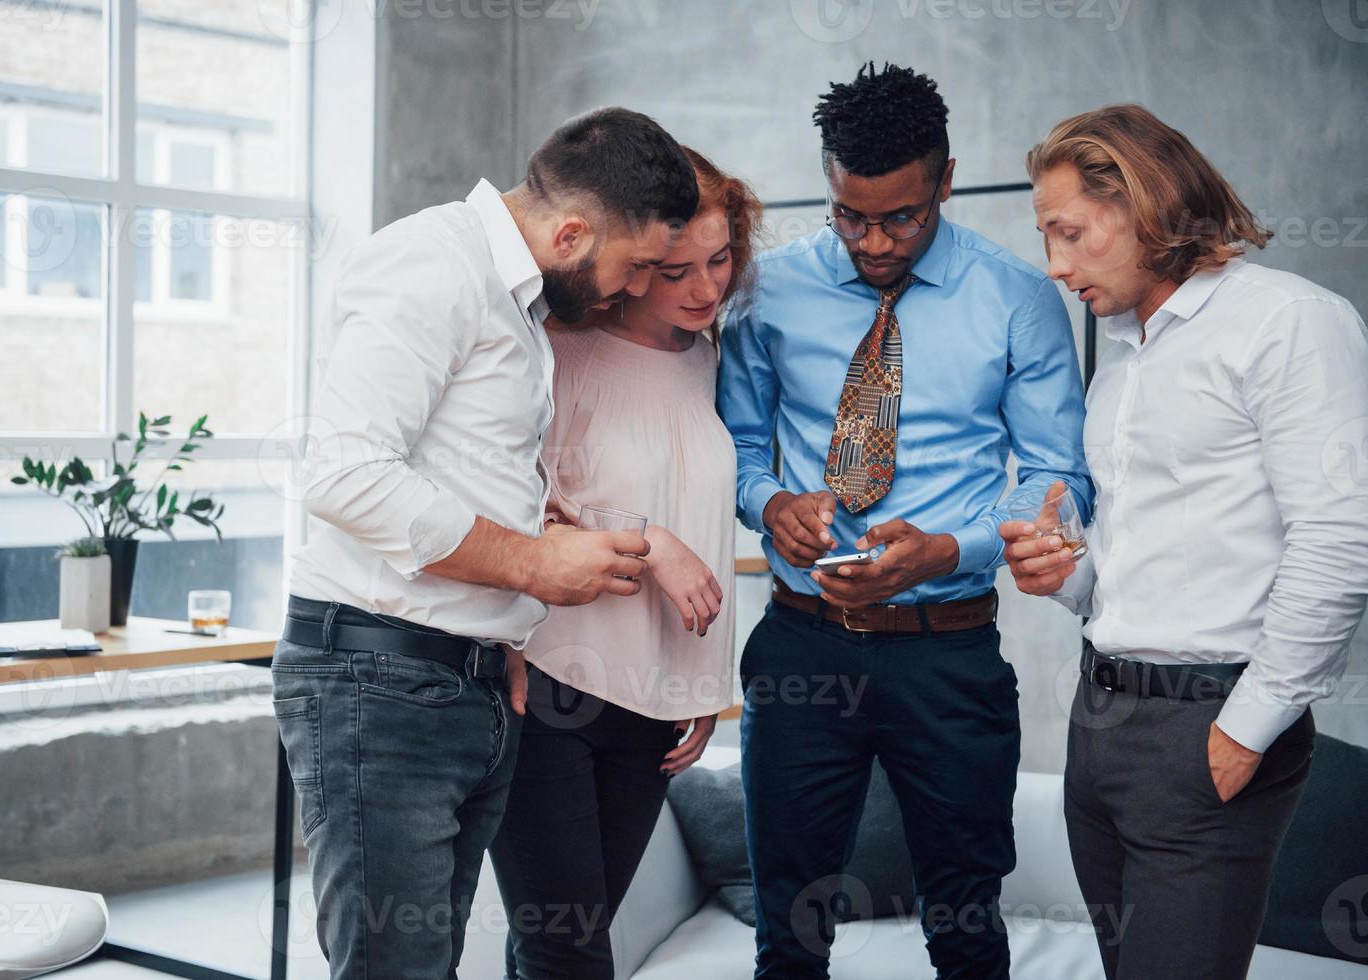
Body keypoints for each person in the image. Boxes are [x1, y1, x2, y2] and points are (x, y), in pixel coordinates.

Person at [271, 107, 700, 980]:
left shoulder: (513, 299)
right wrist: (533, 566)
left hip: (457, 678)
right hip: (377, 683)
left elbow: (461, 477)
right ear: (574, 232)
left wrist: (498, 621)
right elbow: (344, 475)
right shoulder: (432, 264)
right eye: (637, 266)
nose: (631, 289)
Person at [718, 63, 1093, 979]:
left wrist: (950, 551)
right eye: (851, 215)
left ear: (947, 180)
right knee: (788, 932)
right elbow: (731, 444)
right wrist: (769, 503)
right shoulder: (768, 294)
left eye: (902, 217)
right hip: (802, 643)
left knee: (967, 923)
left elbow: (1056, 475)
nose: (874, 242)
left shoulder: (1018, 298)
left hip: (948, 653)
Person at [1003, 104, 1368, 980]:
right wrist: (1064, 572)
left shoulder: (1288, 322)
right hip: (1099, 727)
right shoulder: (1124, 360)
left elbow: (1344, 535)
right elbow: (1132, 568)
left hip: (1209, 726)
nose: (1054, 266)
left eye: (1070, 233)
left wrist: (1248, 728)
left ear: (1142, 204)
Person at [488, 146, 759, 980]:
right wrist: (651, 541)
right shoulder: (553, 350)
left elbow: (705, 523)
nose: (706, 287)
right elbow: (517, 506)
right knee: (565, 946)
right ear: (635, 262)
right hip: (549, 676)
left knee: (578, 931)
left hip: (652, 706)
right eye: (677, 268)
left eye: (720, 260)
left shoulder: (708, 360)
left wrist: (703, 686)